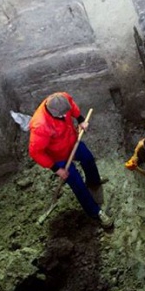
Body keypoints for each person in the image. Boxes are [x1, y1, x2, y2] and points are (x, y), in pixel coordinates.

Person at [29, 92, 113, 228]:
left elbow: (73, 108)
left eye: (65, 114)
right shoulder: (40, 126)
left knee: (88, 158)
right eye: (61, 116)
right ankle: (95, 212)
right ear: (52, 113)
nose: (64, 117)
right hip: (57, 156)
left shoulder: (62, 98)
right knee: (77, 183)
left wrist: (80, 120)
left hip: (72, 141)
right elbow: (35, 153)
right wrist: (56, 169)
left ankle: (93, 181)